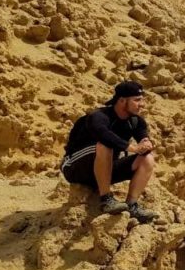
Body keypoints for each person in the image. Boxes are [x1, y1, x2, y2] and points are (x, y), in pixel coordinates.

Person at [61, 81, 158, 223]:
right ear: (122, 100)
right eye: (137, 100)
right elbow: (104, 135)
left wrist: (146, 143)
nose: (142, 104)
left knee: (147, 158)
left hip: (103, 170)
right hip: (75, 167)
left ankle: (132, 205)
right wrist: (131, 148)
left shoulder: (136, 121)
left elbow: (142, 136)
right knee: (105, 146)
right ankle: (106, 199)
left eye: (142, 100)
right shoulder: (98, 116)